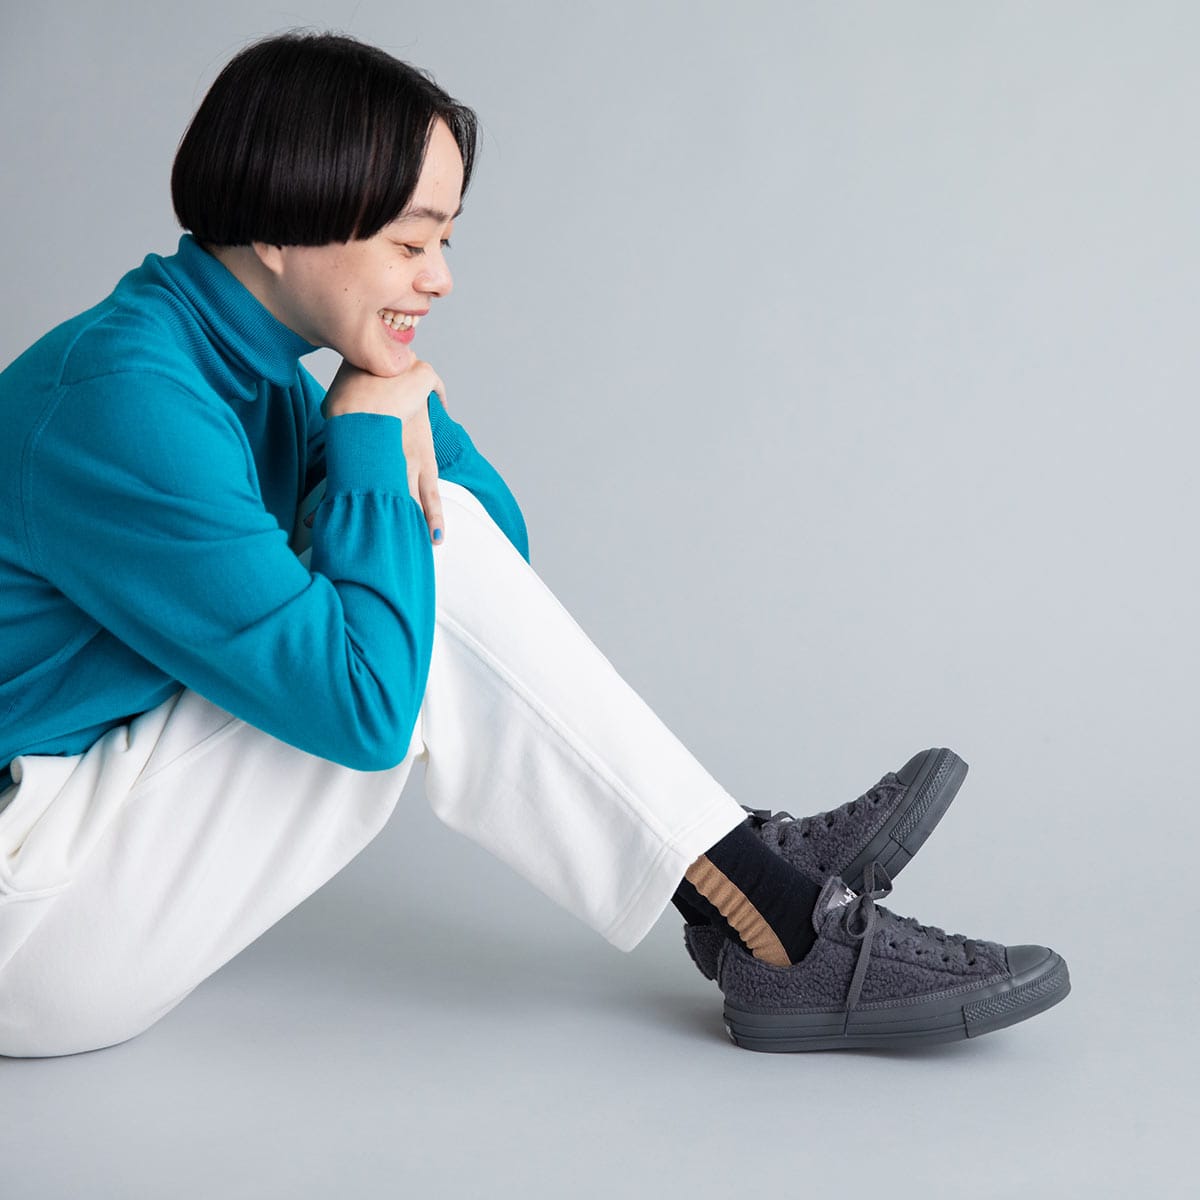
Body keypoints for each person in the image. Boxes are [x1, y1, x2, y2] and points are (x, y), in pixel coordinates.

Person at [0, 30, 1068, 1058]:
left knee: (425, 567)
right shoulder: (127, 399)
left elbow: (489, 563)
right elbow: (370, 711)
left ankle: (741, 873)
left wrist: (400, 410)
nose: (440, 278)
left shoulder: (251, 372)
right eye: (409, 243)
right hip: (25, 907)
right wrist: (370, 431)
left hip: (76, 844)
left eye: (445, 241)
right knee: (400, 614)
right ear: (278, 230)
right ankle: (766, 904)